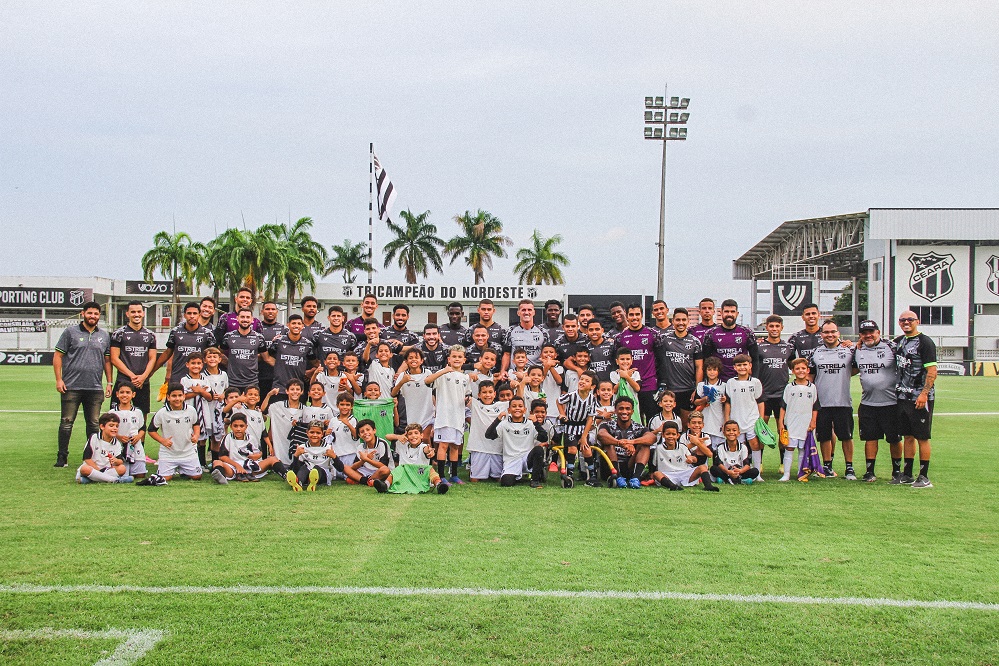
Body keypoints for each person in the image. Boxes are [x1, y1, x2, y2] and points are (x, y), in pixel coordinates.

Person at [53, 300, 112, 468]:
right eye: (90, 313)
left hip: (94, 387)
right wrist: (59, 379)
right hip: (71, 386)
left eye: (96, 313)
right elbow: (58, 356)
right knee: (66, 422)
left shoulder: (104, 335)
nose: (92, 316)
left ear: (99, 316)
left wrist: (109, 382)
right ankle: (62, 457)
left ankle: (91, 456)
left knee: (93, 424)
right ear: (83, 314)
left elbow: (107, 361)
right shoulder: (70, 332)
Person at [892, 310, 938, 488]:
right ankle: (907, 474)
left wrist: (924, 394)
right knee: (908, 436)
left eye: (910, 320)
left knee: (922, 437)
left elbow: (932, 371)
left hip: (919, 397)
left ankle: (924, 476)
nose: (906, 322)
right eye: (902, 320)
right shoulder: (900, 341)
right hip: (903, 396)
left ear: (917, 321)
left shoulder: (924, 342)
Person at [852, 319, 901, 483]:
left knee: (894, 439)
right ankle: (869, 471)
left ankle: (897, 471)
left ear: (878, 332)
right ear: (860, 335)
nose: (868, 335)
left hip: (891, 403)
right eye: (864, 333)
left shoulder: (892, 346)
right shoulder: (856, 349)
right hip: (868, 403)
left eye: (871, 332)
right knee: (870, 438)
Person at [809, 320, 856, 479]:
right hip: (822, 402)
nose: (830, 335)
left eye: (833, 332)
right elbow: (810, 376)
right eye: (826, 332)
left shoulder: (849, 350)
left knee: (846, 436)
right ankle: (827, 466)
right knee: (824, 436)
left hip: (843, 401)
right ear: (821, 334)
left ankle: (849, 468)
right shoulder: (815, 352)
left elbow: (856, 368)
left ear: (838, 333)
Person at [426, 345, 471, 484]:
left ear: (464, 359)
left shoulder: (465, 377)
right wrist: (444, 370)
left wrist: (467, 400)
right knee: (443, 446)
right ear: (449, 359)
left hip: (458, 417)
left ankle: (454, 475)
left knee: (455, 446)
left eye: (459, 357)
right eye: (454, 356)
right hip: (444, 417)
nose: (457, 359)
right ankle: (441, 476)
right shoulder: (442, 374)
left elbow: (467, 395)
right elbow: (427, 381)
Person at [485, 396, 551, 488]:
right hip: (511, 460)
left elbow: (543, 438)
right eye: (514, 406)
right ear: (509, 410)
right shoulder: (504, 424)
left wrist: (536, 423)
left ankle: (535, 480)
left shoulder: (530, 424)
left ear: (525, 410)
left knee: (539, 449)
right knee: (506, 482)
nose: (517, 408)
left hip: (527, 458)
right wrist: (498, 419)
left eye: (520, 406)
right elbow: (489, 435)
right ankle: (519, 476)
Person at [656, 308, 703, 427]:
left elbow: (699, 366)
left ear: (688, 321)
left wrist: (697, 389)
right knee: (668, 425)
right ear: (673, 322)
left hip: (687, 389)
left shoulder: (695, 342)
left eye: (683, 320)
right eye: (678, 320)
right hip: (669, 389)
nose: (680, 322)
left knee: (686, 424)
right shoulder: (663, 339)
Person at [109, 300, 157, 414]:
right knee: (117, 415)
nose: (136, 314)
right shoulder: (118, 333)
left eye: (139, 311)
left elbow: (152, 358)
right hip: (124, 380)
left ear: (143, 313)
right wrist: (132, 376)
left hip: (142, 382)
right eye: (133, 312)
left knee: (142, 414)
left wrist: (143, 377)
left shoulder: (150, 335)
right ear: (127, 314)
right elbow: (114, 358)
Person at [597, 395, 655, 489]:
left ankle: (636, 478)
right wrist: (620, 443)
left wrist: (632, 442)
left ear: (632, 411)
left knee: (645, 445)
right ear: (615, 411)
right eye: (621, 409)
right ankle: (618, 477)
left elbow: (652, 437)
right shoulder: (608, 425)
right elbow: (601, 435)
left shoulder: (637, 427)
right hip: (610, 467)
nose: (624, 412)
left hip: (630, 464)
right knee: (609, 444)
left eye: (628, 409)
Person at [210, 412, 286, 484]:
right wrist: (237, 466)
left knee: (273, 459)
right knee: (216, 462)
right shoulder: (227, 438)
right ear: (231, 427)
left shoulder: (251, 438)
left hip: (250, 466)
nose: (238, 429)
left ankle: (286, 475)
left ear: (246, 427)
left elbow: (259, 453)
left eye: (241, 426)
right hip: (233, 467)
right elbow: (222, 457)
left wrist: (257, 456)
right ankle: (221, 477)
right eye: (235, 426)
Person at [615, 303, 661, 421]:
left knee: (652, 419)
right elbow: (616, 360)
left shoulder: (653, 334)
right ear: (626, 316)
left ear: (642, 315)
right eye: (631, 314)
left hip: (648, 384)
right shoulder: (620, 337)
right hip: (628, 385)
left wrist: (661, 381)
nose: (634, 317)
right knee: (630, 419)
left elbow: (660, 359)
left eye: (637, 314)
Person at [148, 383, 202, 481]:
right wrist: (162, 441)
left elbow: (196, 423)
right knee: (165, 478)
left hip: (188, 451)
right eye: (174, 396)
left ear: (184, 396)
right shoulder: (162, 413)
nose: (177, 399)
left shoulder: (191, 410)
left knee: (196, 476)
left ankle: (182, 469)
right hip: (169, 453)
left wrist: (196, 435)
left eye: (180, 395)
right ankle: (176, 468)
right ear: (168, 397)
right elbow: (151, 430)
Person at [152, 302, 212, 387]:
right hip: (177, 377)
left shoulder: (207, 333)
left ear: (199, 315)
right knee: (175, 399)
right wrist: (153, 370)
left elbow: (213, 355)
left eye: (195, 313)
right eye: (189, 313)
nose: (192, 316)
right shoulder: (175, 332)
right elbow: (168, 353)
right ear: (184, 315)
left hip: (199, 378)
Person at [723, 354, 765, 477]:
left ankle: (757, 473)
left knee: (755, 445)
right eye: (739, 365)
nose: (742, 367)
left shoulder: (755, 382)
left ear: (750, 365)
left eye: (744, 365)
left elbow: (760, 402)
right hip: (736, 420)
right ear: (734, 367)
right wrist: (727, 420)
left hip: (752, 419)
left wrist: (760, 420)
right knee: (737, 447)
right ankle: (737, 472)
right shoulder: (730, 383)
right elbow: (728, 403)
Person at [777, 358, 818, 482]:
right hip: (791, 422)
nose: (801, 371)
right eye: (797, 369)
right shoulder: (789, 387)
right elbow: (783, 407)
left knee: (803, 449)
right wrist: (781, 423)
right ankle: (786, 474)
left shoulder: (813, 387)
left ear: (808, 370)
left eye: (803, 368)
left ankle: (801, 473)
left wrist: (813, 421)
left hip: (805, 423)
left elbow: (815, 407)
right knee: (789, 448)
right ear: (793, 371)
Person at [701, 299, 759, 382]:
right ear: (721, 313)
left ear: (737, 313)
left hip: (741, 380)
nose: (729, 314)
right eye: (726, 311)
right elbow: (705, 360)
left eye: (732, 312)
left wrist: (754, 380)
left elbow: (755, 359)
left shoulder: (747, 332)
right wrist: (706, 381)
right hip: (718, 381)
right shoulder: (710, 333)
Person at [382, 423, 450, 494]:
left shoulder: (423, 446)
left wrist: (430, 450)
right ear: (406, 436)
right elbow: (387, 436)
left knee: (429, 469)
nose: (413, 436)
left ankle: (439, 485)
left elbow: (427, 449)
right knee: (398, 469)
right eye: (410, 434)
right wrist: (398, 436)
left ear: (421, 435)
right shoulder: (402, 445)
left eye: (416, 433)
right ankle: (385, 485)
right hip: (405, 477)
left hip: (419, 475)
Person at [557, 371, 599, 484]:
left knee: (587, 451)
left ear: (592, 386)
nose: (582, 382)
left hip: (582, 427)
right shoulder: (572, 395)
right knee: (572, 449)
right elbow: (559, 401)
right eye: (581, 379)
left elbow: (590, 419)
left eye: (586, 381)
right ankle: (569, 474)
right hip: (570, 427)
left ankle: (592, 476)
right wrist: (562, 414)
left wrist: (584, 436)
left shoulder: (592, 399)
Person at [651, 423, 717, 491]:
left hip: (684, 472)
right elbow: (654, 465)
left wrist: (692, 459)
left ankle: (709, 486)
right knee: (657, 474)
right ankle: (672, 486)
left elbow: (692, 458)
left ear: (677, 435)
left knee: (703, 467)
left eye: (673, 434)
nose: (671, 436)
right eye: (668, 434)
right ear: (663, 435)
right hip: (668, 474)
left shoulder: (682, 446)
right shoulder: (658, 448)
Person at [261, 314, 313, 395]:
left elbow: (315, 362)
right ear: (288, 325)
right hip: (279, 387)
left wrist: (312, 371)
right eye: (293, 323)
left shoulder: (308, 344)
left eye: (299, 324)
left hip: (298, 389)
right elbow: (267, 357)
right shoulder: (278, 341)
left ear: (303, 326)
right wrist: (279, 364)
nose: (296, 326)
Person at [219, 308, 268, 392]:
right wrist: (228, 362)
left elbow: (266, 357)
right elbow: (219, 353)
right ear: (237, 318)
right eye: (242, 317)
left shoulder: (259, 337)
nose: (245, 320)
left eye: (247, 317)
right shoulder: (228, 336)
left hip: (252, 382)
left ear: (252, 319)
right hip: (232, 382)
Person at [286, 421, 344, 491]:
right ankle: (298, 483)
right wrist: (296, 456)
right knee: (304, 468)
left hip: (323, 475)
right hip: (308, 471)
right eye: (312, 432)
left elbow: (341, 468)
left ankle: (312, 482)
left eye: (318, 433)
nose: (315, 435)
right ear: (307, 433)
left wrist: (334, 456)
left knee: (316, 468)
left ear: (322, 434)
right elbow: (296, 470)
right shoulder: (302, 447)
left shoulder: (328, 448)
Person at [392, 348, 435, 442]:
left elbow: (433, 392)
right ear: (406, 361)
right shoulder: (403, 375)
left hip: (427, 412)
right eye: (410, 358)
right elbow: (393, 393)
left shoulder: (427, 373)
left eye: (416, 357)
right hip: (412, 414)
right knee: (414, 440)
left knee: (425, 438)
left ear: (421, 361)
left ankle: (429, 456)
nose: (414, 360)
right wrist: (402, 382)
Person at [76, 412, 132, 484]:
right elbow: (87, 459)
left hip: (106, 470)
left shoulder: (117, 443)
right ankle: (114, 480)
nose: (115, 428)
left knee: (122, 468)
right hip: (92, 468)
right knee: (84, 469)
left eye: (117, 426)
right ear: (102, 426)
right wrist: (98, 471)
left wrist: (116, 460)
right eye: (111, 426)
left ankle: (91, 480)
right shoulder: (94, 438)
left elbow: (120, 461)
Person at [467, 381, 506, 482]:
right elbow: (462, 394)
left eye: (490, 392)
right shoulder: (474, 404)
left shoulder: (502, 405)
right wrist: (469, 378)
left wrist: (520, 384)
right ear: (479, 395)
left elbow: (518, 400)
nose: (487, 395)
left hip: (496, 448)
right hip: (479, 447)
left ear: (494, 394)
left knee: (499, 478)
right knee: (474, 479)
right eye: (484, 392)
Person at [263, 380, 305, 467]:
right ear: (287, 391)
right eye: (292, 389)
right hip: (280, 451)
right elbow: (263, 410)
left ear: (302, 392)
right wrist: (269, 395)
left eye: (298, 389)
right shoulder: (276, 406)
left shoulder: (305, 409)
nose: (295, 392)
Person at [110, 383, 148, 478]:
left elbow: (142, 428)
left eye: (128, 392)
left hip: (135, 446)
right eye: (122, 392)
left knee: (140, 475)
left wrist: (139, 436)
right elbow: (107, 431)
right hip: (119, 447)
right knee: (122, 473)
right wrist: (118, 436)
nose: (125, 395)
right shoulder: (112, 413)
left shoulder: (138, 412)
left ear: (133, 395)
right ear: (117, 394)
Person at [311, 306, 359, 380]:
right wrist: (316, 365)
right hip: (323, 376)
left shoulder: (350, 337)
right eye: (333, 316)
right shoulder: (319, 335)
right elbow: (311, 353)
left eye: (338, 316)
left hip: (342, 376)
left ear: (343, 318)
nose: (336, 318)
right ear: (328, 318)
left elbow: (353, 356)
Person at [502, 299, 545, 375]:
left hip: (535, 375)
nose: (526, 312)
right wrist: (503, 370)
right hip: (516, 374)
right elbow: (507, 354)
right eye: (523, 310)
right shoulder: (510, 331)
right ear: (518, 313)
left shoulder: (543, 332)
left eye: (529, 310)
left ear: (534, 312)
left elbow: (545, 354)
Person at [694, 356, 728, 450]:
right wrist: (705, 399)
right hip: (705, 421)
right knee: (703, 449)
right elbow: (696, 402)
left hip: (718, 421)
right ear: (705, 370)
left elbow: (728, 405)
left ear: (719, 371)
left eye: (714, 369)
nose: (712, 372)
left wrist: (725, 400)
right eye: (709, 369)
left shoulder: (724, 386)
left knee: (718, 451)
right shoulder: (701, 385)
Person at [711, 420, 758, 485]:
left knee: (755, 471)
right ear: (724, 433)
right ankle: (738, 480)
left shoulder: (743, 447)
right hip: (726, 471)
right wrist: (728, 472)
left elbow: (747, 465)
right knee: (713, 469)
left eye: (734, 430)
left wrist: (740, 471)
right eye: (728, 430)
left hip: (739, 472)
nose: (731, 432)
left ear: (739, 433)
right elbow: (719, 464)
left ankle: (726, 480)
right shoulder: (720, 447)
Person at [257, 301, 288, 396]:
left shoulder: (284, 330)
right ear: (262, 312)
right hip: (258, 375)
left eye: (273, 309)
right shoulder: (256, 328)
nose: (270, 311)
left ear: (277, 312)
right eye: (267, 309)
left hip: (277, 377)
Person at [583, 319, 618, 384]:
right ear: (586, 331)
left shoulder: (611, 345)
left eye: (597, 329)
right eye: (591, 330)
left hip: (610, 386)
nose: (594, 332)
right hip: (594, 386)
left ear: (602, 330)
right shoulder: (585, 348)